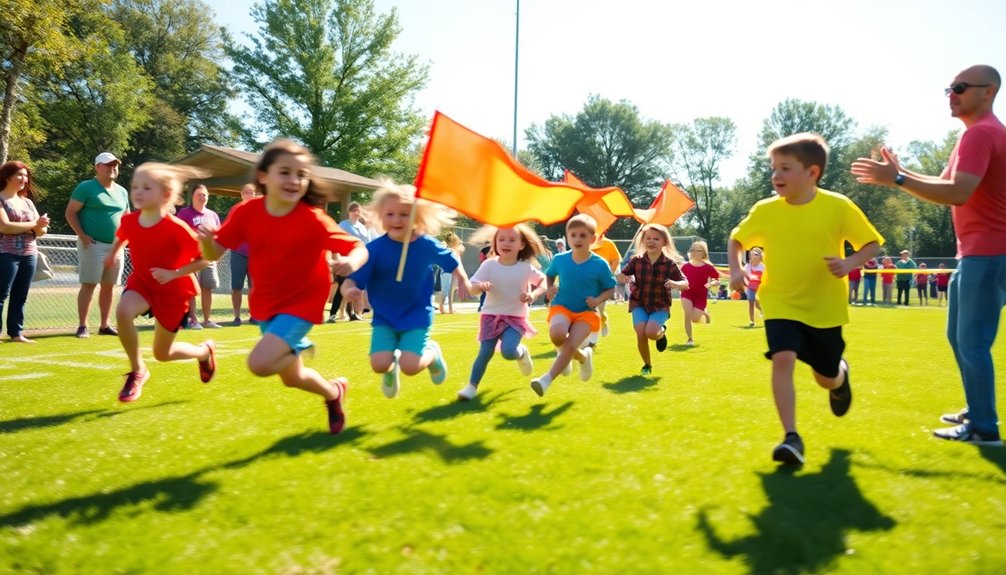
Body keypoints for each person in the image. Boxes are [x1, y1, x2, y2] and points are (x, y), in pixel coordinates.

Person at [851, 64, 1006, 446]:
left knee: (971, 342)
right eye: (949, 88)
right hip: (975, 255)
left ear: (988, 92)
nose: (952, 94)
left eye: (960, 87)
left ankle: (984, 428)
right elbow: (945, 183)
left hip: (989, 254)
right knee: (959, 337)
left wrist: (898, 180)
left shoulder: (982, 133)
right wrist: (901, 172)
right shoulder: (973, 135)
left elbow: (957, 193)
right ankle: (978, 409)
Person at [729, 132, 882, 465]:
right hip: (780, 301)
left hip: (824, 306)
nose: (776, 176)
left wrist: (849, 263)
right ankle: (791, 438)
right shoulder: (765, 210)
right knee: (782, 359)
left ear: (812, 172)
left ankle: (840, 376)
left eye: (785, 168)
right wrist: (737, 269)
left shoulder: (838, 206)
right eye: (773, 168)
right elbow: (736, 239)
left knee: (825, 376)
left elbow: (872, 244)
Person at [198, 139, 367, 434]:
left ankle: (298, 345)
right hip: (266, 304)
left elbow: (357, 246)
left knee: (260, 363)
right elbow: (213, 254)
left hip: (302, 303)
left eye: (301, 174)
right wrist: (206, 239)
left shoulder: (313, 218)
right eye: (285, 172)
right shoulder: (245, 213)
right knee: (292, 377)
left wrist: (351, 263)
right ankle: (333, 392)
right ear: (263, 176)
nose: (294, 180)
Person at [342, 180, 470, 399]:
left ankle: (432, 354)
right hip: (384, 317)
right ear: (381, 216)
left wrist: (464, 281)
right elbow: (352, 279)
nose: (397, 220)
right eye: (390, 214)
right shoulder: (374, 249)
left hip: (417, 315)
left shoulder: (426, 244)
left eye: (404, 214)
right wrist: (349, 289)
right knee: (379, 364)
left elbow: (453, 261)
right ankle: (391, 371)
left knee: (410, 366)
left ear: (416, 216)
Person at [105, 164, 217, 402]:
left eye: (146, 187)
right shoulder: (131, 220)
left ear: (165, 195)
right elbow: (122, 235)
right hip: (144, 283)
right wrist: (113, 253)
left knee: (162, 353)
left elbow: (204, 260)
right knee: (123, 311)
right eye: (135, 186)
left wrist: (174, 273)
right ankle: (138, 370)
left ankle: (203, 352)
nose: (138, 192)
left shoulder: (176, 228)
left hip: (173, 292)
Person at [457, 224, 547, 401]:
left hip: (515, 318)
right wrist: (480, 287)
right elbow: (472, 288)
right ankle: (471, 386)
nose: (506, 243)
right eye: (502, 239)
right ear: (495, 243)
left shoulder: (525, 267)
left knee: (508, 351)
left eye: (512, 240)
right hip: (490, 316)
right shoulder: (489, 265)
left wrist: (532, 294)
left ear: (521, 245)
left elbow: (543, 281)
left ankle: (522, 353)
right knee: (485, 352)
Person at [530, 214, 616, 397]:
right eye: (573, 235)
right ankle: (583, 357)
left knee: (568, 346)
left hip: (586, 313)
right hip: (562, 306)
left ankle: (546, 379)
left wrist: (598, 300)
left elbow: (610, 289)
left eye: (583, 235)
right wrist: (551, 287)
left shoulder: (600, 264)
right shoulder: (560, 259)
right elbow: (550, 274)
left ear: (592, 239)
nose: (577, 239)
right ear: (567, 237)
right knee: (558, 336)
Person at [65, 152, 130, 338]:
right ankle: (83, 326)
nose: (112, 168)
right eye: (108, 165)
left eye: (115, 165)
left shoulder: (122, 191)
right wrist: (83, 236)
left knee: (109, 286)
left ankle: (104, 325)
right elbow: (70, 213)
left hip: (116, 247)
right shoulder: (86, 187)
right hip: (93, 245)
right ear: (97, 167)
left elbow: (127, 219)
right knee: (89, 284)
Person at [616, 224, 688, 375]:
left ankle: (661, 333)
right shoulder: (636, 261)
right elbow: (621, 276)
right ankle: (647, 365)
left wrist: (675, 283)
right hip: (639, 303)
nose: (651, 241)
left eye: (656, 238)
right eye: (648, 238)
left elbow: (685, 283)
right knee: (641, 332)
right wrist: (623, 276)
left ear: (664, 242)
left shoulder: (669, 264)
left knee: (651, 332)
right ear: (643, 241)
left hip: (660, 305)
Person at [0, 161, 49, 343]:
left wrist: (35, 227)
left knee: (21, 295)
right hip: (6, 254)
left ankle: (16, 333)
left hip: (29, 254)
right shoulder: (0, 199)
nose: (24, 179)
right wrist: (33, 226)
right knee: (1, 294)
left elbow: (42, 231)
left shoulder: (27, 202)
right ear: (7, 177)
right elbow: (5, 227)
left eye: (26, 175)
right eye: (19, 175)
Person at [177, 184, 222, 328]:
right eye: (199, 194)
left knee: (207, 287)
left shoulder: (212, 215)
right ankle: (192, 319)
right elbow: (178, 234)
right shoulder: (184, 213)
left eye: (205, 195)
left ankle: (207, 319)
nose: (202, 197)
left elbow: (219, 236)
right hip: (190, 258)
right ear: (193, 197)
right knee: (192, 289)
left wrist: (216, 253)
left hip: (207, 258)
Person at [328, 201, 371, 322]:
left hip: (359, 262)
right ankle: (332, 315)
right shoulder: (343, 225)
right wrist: (336, 258)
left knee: (354, 287)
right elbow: (336, 240)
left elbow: (366, 245)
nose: (357, 213)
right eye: (355, 210)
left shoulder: (362, 228)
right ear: (350, 212)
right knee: (342, 287)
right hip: (346, 261)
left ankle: (351, 313)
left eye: (358, 210)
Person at [679, 240, 722, 346]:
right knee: (687, 315)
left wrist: (712, 284)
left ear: (703, 252)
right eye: (692, 250)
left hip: (700, 297)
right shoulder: (685, 267)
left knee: (695, 319)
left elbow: (717, 280)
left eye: (697, 250)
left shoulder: (708, 267)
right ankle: (690, 339)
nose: (693, 252)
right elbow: (678, 278)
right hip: (686, 293)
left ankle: (705, 313)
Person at [228, 184, 259, 325]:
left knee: (254, 287)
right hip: (238, 253)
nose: (248, 195)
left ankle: (254, 315)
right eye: (246, 192)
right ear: (241, 194)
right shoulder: (235, 210)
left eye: (251, 192)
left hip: (255, 255)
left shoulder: (261, 210)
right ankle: (236, 316)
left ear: (254, 194)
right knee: (236, 287)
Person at [588, 232, 621, 343]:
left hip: (602, 283)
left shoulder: (608, 243)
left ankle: (603, 319)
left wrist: (609, 273)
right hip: (588, 281)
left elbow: (616, 259)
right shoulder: (586, 242)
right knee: (589, 309)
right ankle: (591, 337)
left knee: (599, 309)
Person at [435, 231, 465, 314]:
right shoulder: (448, 249)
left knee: (451, 291)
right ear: (452, 241)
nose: (457, 242)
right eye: (455, 240)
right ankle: (441, 307)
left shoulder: (456, 250)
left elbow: (458, 261)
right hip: (447, 272)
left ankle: (451, 308)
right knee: (445, 290)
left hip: (454, 272)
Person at [744, 247, 766, 326]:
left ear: (760, 257)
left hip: (760, 287)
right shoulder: (747, 266)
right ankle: (752, 321)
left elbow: (766, 278)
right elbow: (744, 276)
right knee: (751, 303)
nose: (754, 255)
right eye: (752, 254)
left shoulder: (763, 267)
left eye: (756, 254)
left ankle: (762, 311)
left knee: (757, 303)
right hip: (750, 287)